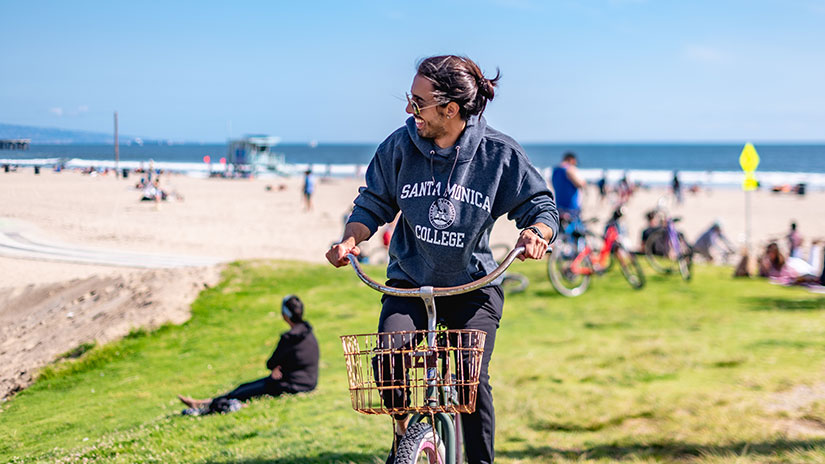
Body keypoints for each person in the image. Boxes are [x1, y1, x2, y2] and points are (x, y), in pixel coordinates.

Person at [325, 55, 558, 464]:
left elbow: (541, 205)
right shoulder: (399, 146)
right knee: (389, 356)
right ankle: (406, 436)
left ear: (450, 110)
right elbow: (373, 203)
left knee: (471, 381)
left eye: (418, 102)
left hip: (473, 286)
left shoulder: (497, 154)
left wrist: (537, 233)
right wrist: (349, 239)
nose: (408, 110)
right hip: (410, 281)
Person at [177, 295, 319, 415]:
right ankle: (203, 403)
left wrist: (277, 366)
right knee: (246, 387)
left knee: (243, 391)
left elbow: (270, 363)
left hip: (292, 383)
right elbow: (298, 356)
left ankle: (203, 405)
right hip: (307, 381)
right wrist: (280, 366)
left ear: (285, 315)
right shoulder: (307, 330)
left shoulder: (289, 337)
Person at [551, 151, 586, 220]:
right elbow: (580, 184)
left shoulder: (555, 170)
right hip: (571, 207)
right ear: (571, 160)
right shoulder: (569, 169)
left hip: (559, 206)